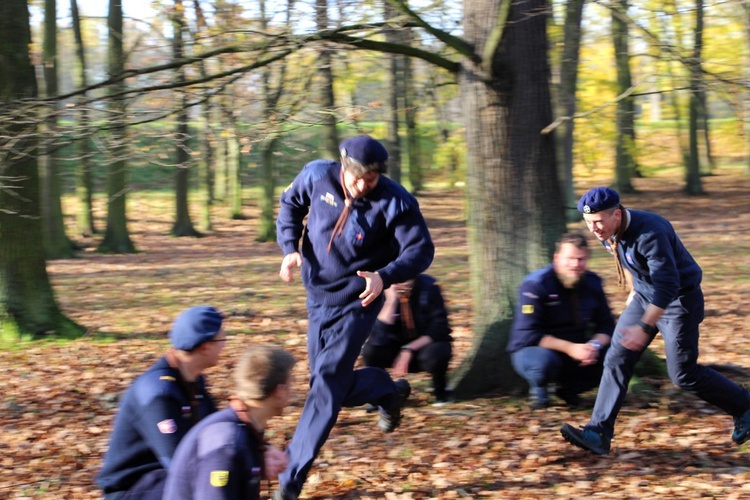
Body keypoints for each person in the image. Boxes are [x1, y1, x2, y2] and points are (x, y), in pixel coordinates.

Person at [274, 134, 435, 499]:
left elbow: (421, 250)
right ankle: (386, 390)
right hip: (318, 295)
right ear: (343, 168)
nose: (363, 186)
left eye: (371, 180)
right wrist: (289, 248)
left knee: (327, 384)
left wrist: (385, 276)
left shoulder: (396, 201)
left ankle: (289, 480)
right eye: (357, 177)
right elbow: (290, 205)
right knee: (328, 384)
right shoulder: (316, 176)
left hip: (359, 300)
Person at [560, 186, 750, 455]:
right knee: (616, 356)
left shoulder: (652, 231)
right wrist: (635, 292)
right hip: (645, 297)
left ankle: (745, 405)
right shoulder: (607, 230)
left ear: (617, 214)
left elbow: (668, 286)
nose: (594, 229)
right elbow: (628, 260)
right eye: (589, 223)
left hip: (677, 302)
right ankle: (598, 432)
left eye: (599, 221)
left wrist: (644, 326)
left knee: (683, 374)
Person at [97, 306, 226, 500]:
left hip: (163, 478)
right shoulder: (159, 393)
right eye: (222, 340)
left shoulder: (193, 381)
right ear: (205, 347)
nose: (224, 346)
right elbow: (178, 462)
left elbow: (218, 429)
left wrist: (258, 451)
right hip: (132, 488)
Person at [163, 344, 295, 500]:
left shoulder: (246, 429)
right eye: (291, 384)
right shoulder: (227, 445)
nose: (293, 391)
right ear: (280, 391)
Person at [507, 232, 615, 409]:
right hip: (535, 350)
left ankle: (569, 390)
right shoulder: (536, 284)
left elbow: (607, 326)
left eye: (581, 259)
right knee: (543, 362)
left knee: (619, 353)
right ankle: (539, 391)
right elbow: (529, 334)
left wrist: (593, 347)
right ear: (556, 258)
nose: (575, 264)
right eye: (570, 258)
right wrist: (571, 348)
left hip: (579, 348)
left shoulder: (593, 283)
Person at [361, 274, 453, 404]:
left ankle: (441, 390)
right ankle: (379, 395)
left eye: (406, 276)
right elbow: (377, 337)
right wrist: (391, 301)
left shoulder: (429, 288)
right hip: (393, 348)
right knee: (370, 351)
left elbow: (440, 328)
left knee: (437, 353)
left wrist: (408, 349)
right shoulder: (379, 291)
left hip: (423, 348)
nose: (402, 282)